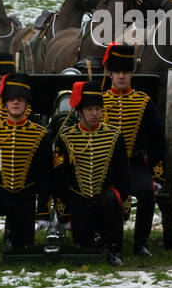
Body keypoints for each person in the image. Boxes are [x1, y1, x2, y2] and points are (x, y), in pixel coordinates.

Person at [0, 76, 51, 266]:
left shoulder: (40, 135)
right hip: (0, 194)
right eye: (11, 99)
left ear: (26, 104)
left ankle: (15, 236)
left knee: (21, 252)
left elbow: (45, 176)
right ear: (5, 103)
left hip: (25, 199)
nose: (15, 102)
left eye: (20, 99)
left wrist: (43, 211)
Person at [52, 82, 130, 266]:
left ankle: (114, 251)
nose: (95, 113)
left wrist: (123, 200)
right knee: (83, 248)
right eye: (89, 109)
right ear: (79, 112)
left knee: (111, 201)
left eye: (97, 109)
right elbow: (59, 176)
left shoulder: (114, 135)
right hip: (78, 198)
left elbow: (123, 172)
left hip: (104, 195)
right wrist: (63, 210)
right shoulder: (65, 137)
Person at [99, 43, 166, 257]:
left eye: (125, 72)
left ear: (131, 73)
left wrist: (157, 175)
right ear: (110, 73)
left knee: (147, 193)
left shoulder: (144, 103)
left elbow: (157, 141)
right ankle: (105, 238)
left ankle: (141, 242)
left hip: (136, 165)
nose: (121, 76)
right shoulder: (99, 102)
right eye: (117, 72)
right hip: (105, 168)